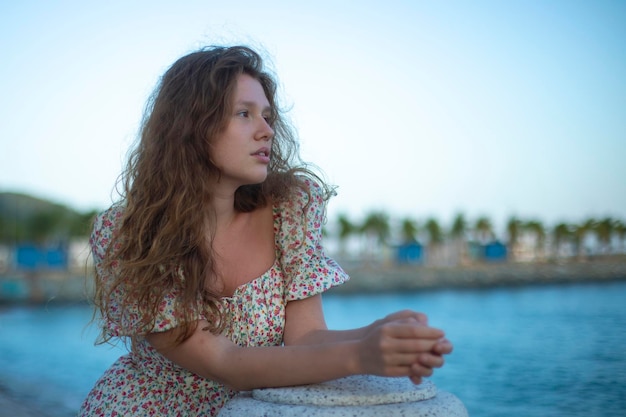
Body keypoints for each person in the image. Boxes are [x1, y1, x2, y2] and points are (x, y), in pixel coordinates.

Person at [80, 45, 453, 416]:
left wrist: (377, 334)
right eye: (244, 113)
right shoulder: (128, 235)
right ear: (190, 127)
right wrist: (360, 354)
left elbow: (305, 339)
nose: (266, 131)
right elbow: (223, 363)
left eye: (267, 116)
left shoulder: (288, 212)